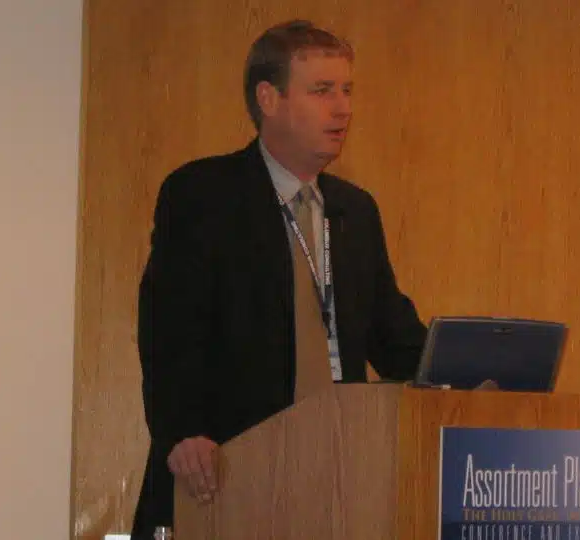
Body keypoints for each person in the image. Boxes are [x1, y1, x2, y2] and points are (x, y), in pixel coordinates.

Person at [129, 19, 428, 539]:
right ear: (269, 98)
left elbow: (392, 337)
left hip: (334, 483)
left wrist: (463, 379)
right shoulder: (204, 194)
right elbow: (170, 326)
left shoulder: (354, 211)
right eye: (322, 90)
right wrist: (183, 431)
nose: (343, 108)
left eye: (347, 90)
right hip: (225, 475)